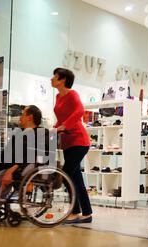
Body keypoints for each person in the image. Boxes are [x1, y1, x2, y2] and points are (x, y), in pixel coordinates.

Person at [0, 105, 51, 219]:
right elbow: (5, 155)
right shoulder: (18, 134)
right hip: (14, 166)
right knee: (0, 175)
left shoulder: (42, 133)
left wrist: (13, 169)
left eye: (23, 114)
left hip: (29, 165)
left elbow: (35, 154)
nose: (20, 117)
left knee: (5, 175)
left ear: (30, 117)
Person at [51, 68, 93, 224]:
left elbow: (80, 111)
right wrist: (54, 128)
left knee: (67, 175)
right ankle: (86, 213)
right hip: (67, 143)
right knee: (76, 178)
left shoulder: (72, 94)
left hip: (79, 141)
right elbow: (61, 118)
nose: (52, 79)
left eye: (55, 77)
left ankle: (75, 211)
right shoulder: (57, 96)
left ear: (62, 80)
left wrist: (64, 126)